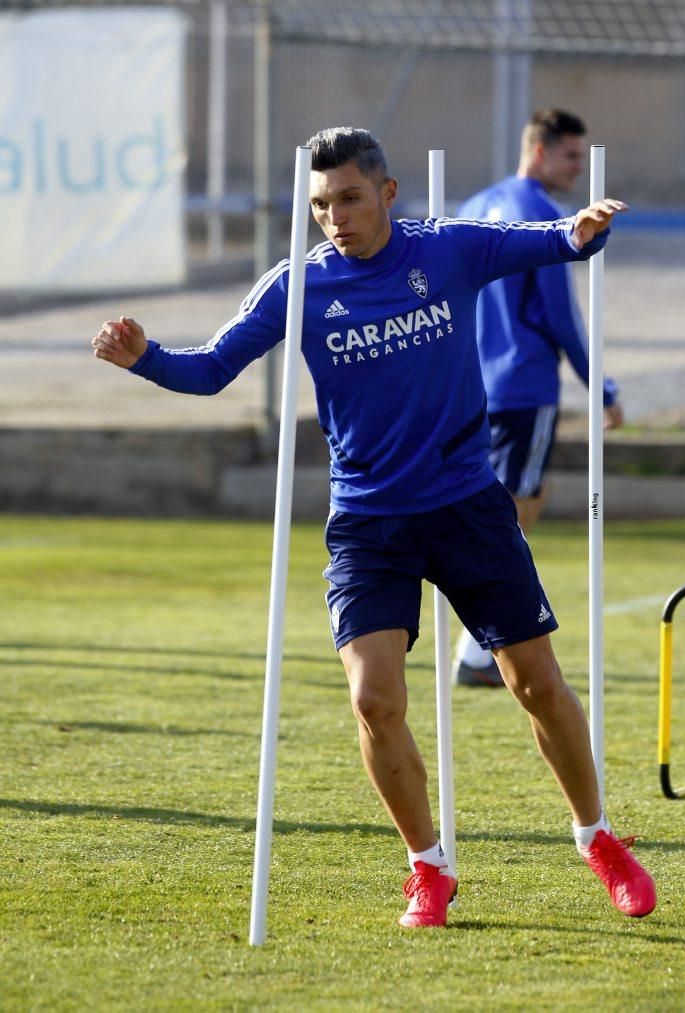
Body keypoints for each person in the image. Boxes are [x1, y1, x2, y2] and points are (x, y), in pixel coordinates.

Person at [91, 126, 655, 929]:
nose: (335, 218)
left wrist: (579, 231)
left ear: (387, 193)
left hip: (466, 504)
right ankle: (429, 867)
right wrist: (145, 356)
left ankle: (598, 837)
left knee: (536, 684)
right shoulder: (298, 285)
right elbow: (213, 367)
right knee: (375, 698)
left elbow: (540, 242)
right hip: (369, 521)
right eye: (321, 205)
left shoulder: (446, 249)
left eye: (349, 198)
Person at [452, 108, 624, 688]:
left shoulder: (475, 207)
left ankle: (482, 643)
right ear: (541, 151)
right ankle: (482, 651)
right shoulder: (544, 216)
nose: (579, 168)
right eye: (572, 156)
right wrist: (601, 388)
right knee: (513, 513)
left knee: (501, 504)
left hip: (470, 384)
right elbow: (560, 318)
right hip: (522, 384)